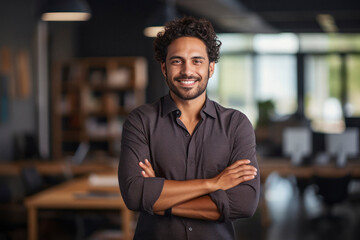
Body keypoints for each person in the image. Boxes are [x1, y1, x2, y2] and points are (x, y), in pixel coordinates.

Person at [118, 16, 260, 240]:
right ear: (164, 67)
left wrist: (161, 202)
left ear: (211, 68)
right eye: (177, 61)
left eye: (197, 61)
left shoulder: (236, 125)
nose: (187, 70)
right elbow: (135, 195)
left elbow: (244, 203)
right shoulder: (141, 121)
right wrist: (213, 184)